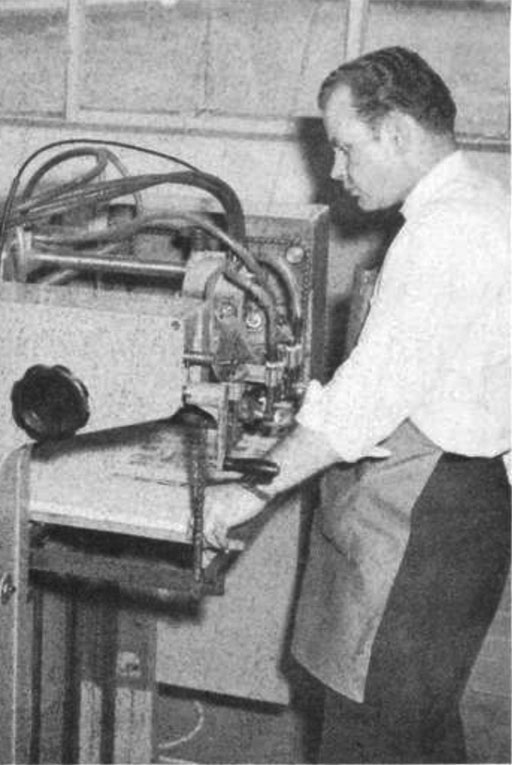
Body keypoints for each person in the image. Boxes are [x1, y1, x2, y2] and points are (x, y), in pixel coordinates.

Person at [203, 47, 510, 763]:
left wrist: (249, 491)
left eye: (346, 148)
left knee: (373, 741)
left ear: (397, 130)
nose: (336, 172)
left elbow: (365, 398)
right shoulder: (479, 204)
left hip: (423, 523)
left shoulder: (446, 233)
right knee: (419, 736)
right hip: (453, 511)